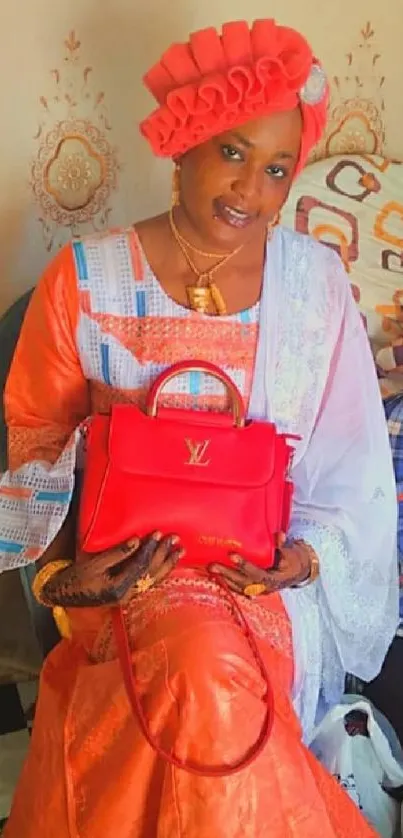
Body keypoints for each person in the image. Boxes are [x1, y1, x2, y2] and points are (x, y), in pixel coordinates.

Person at [1, 19, 398, 838]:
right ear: (183, 142)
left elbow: (352, 464)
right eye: (230, 151)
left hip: (253, 583)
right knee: (195, 671)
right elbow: (32, 438)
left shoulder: (313, 283)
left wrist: (308, 556)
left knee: (203, 666)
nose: (249, 189)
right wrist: (57, 580)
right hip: (118, 579)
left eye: (276, 170)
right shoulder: (84, 277)